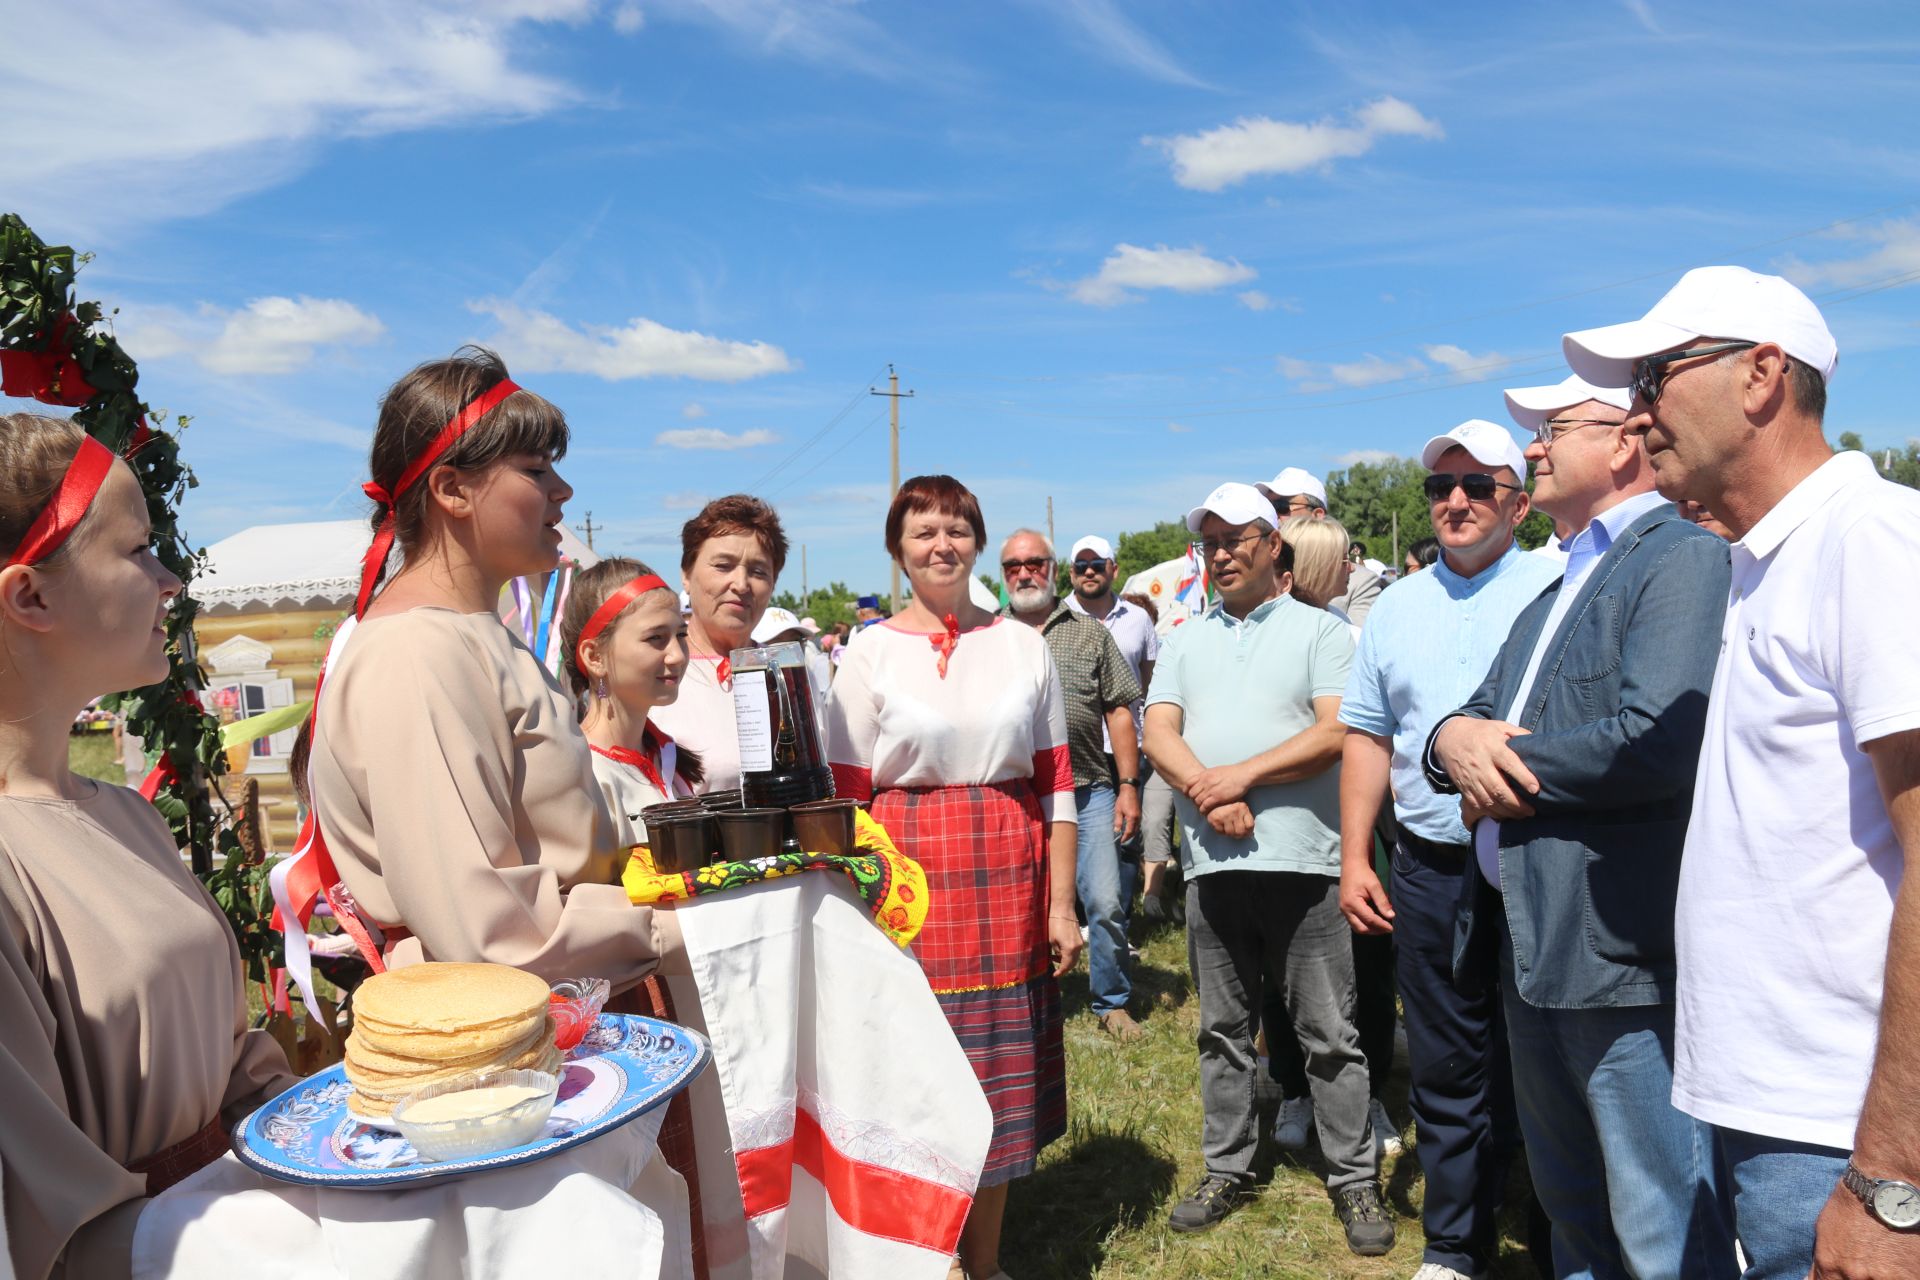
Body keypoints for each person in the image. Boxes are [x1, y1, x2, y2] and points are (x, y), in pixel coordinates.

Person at [1565, 266, 1920, 1280]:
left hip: (1844, 1136)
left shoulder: (1873, 541)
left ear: (1761, 374)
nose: (1634, 418)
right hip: (1769, 1116)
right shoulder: (1758, 563)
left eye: (1655, 379)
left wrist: (1893, 1178)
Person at [1426, 377, 1738, 1279]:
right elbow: (1472, 717)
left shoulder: (1675, 556)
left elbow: (1655, 738)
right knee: (1569, 1207)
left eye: (1551, 429)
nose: (1531, 451)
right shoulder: (1563, 577)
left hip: (1614, 959)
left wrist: (1501, 771)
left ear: (1624, 442)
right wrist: (1453, 742)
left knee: (1658, 1220)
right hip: (1533, 947)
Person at [0, 413, 299, 1277]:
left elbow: (234, 1065)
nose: (170, 580)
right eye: (137, 551)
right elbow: (47, 1232)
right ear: (32, 597)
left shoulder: (127, 814)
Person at [298, 348, 659, 987]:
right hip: (515, 1027)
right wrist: (685, 926)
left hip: (571, 993)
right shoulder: (417, 654)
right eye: (534, 469)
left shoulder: (473, 636)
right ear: (452, 489)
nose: (562, 491)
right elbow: (488, 935)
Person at [824, 475, 1081, 1280]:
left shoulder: (1024, 645)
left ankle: (987, 1257)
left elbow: (1059, 787)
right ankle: (930, 1255)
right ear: (898, 550)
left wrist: (1062, 904)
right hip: (903, 875)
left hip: (1007, 869)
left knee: (995, 1072)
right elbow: (842, 799)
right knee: (914, 1065)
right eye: (923, 531)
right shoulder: (867, 652)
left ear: (977, 541)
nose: (942, 545)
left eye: (957, 529)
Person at [1336, 420, 1560, 1280]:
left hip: (1535, 857)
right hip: (1429, 865)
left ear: (1521, 502)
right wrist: (1358, 858)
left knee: (1543, 1060)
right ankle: (1457, 1245)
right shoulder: (1395, 604)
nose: (1456, 502)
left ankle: (1553, 1240)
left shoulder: (1557, 586)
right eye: (1441, 488)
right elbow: (1365, 737)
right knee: (1444, 1055)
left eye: (1477, 486)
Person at [1144, 481, 1391, 1254]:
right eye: (1209, 543)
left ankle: (1353, 1179)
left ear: (1271, 544)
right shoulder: (1186, 637)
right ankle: (1228, 1166)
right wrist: (1206, 793)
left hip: (1303, 861)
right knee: (1222, 1031)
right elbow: (1158, 731)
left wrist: (1238, 777)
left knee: (1328, 1032)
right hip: (1214, 865)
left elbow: (1335, 732)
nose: (1220, 555)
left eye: (1235, 540)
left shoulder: (1321, 632)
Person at [1266, 515, 1403, 1163]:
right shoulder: (1261, 637)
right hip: (1283, 823)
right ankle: (1294, 1089)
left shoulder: (1356, 636)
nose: (1355, 568)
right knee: (1281, 971)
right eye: (1345, 558)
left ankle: (1367, 1093)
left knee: (1369, 966)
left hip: (1354, 821)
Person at [1004, 530, 1143, 1041]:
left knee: (1105, 902)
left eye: (1035, 563)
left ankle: (1112, 1002)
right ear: (1003, 576)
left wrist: (1129, 785)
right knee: (1019, 906)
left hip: (1087, 790)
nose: (1025, 573)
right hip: (1016, 799)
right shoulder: (990, 638)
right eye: (1014, 566)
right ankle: (1028, 999)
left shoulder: (1089, 633)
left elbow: (1120, 711)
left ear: (1053, 569)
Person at [647, 495, 787, 796]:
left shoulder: (789, 674)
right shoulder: (656, 670)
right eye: (723, 566)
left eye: (758, 571)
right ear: (686, 575)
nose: (741, 584)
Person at [560, 557, 703, 849]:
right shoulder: (583, 776)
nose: (677, 655)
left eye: (681, 635)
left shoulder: (667, 758)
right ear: (595, 656)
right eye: (655, 638)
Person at [1062, 535, 1158, 939]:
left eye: (1097, 565)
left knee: (1125, 836)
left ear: (1112, 569)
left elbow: (1149, 681)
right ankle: (1081, 919)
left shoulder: (1138, 619)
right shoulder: (1058, 618)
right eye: (1081, 566)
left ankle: (1117, 926)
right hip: (1074, 749)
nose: (1088, 572)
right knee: (1074, 834)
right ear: (1070, 573)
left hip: (1125, 748)